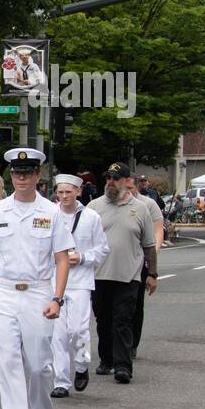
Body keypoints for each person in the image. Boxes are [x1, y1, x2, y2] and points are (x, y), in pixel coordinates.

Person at [0, 147, 73, 409]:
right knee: (8, 363)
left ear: (37, 176)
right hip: (4, 292)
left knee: (38, 366)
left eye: (27, 173)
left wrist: (57, 298)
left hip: (38, 292)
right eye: (17, 174)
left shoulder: (51, 212)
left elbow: (61, 259)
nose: (21, 178)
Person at [88, 163, 156, 385]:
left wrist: (152, 273)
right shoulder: (93, 207)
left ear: (127, 181)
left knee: (123, 321)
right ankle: (106, 359)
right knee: (103, 320)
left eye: (115, 178)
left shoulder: (141, 208)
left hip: (128, 275)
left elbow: (148, 244)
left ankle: (123, 366)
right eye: (108, 177)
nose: (110, 182)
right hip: (99, 274)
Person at [49, 175, 108, 397]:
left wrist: (82, 257)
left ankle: (82, 366)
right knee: (58, 334)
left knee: (78, 330)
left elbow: (102, 249)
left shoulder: (91, 217)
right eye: (60, 192)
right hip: (54, 281)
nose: (64, 196)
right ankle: (61, 381)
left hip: (81, 281)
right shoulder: (49, 215)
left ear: (78, 192)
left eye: (68, 192)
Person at [126, 173, 164, 355]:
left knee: (134, 304)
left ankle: (131, 344)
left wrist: (152, 257)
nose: (128, 192)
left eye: (131, 188)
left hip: (140, 262)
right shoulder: (106, 205)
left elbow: (157, 231)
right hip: (114, 263)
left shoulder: (147, 205)